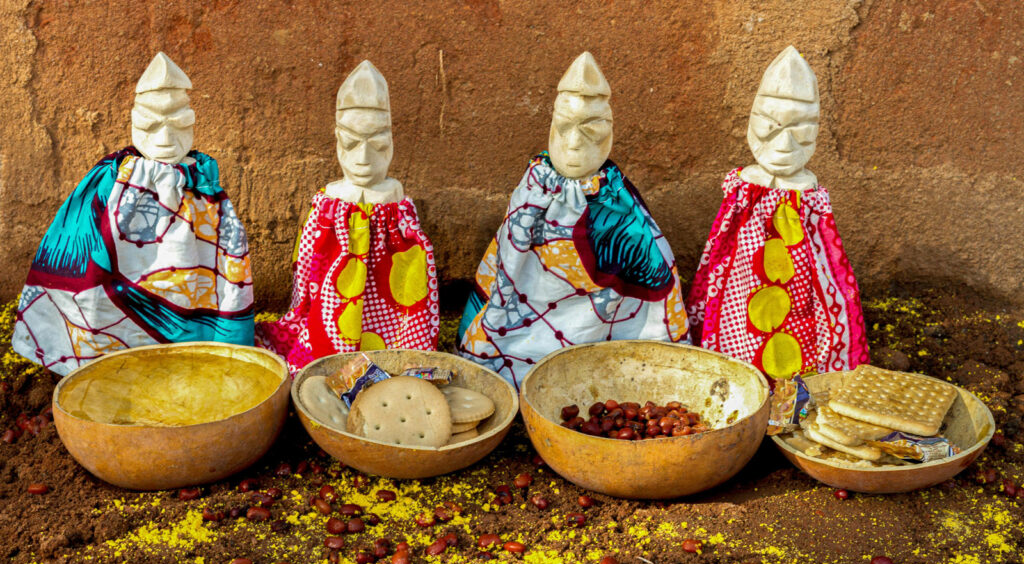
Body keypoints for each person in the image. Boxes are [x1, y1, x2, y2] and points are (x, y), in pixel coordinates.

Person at [13, 52, 254, 375]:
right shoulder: (111, 180)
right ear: (133, 121)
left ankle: (191, 353)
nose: (166, 139)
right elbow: (82, 244)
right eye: (151, 124)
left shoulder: (203, 185)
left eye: (179, 124)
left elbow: (225, 257)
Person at [458, 52, 689, 388]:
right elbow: (508, 264)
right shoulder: (533, 191)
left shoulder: (617, 203)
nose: (574, 143)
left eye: (591, 129)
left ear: (609, 132)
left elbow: (652, 272)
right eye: (564, 127)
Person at [686, 46, 869, 380]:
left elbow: (825, 261)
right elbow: (721, 253)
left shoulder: (807, 191)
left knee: (801, 314)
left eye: (799, 131)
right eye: (771, 126)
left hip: (794, 279)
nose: (784, 146)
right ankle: (733, 372)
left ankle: (794, 387)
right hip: (744, 276)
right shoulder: (745, 185)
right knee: (734, 310)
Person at [257, 61, 438, 373]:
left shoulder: (397, 205)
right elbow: (309, 277)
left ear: (392, 141)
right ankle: (330, 348)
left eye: (378, 144)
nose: (364, 159)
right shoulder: (328, 206)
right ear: (336, 138)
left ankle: (395, 350)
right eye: (351, 143)